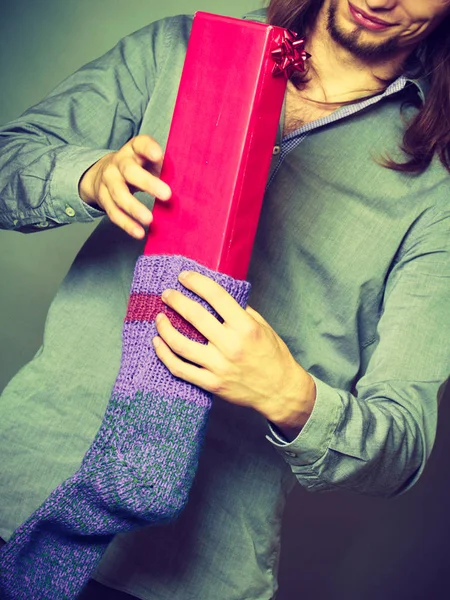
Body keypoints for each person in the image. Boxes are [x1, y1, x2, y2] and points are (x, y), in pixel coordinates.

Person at [0, 0, 449, 598]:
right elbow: (12, 160)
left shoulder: (438, 194)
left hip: (190, 576)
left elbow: (404, 443)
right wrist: (89, 176)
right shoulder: (177, 49)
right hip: (22, 486)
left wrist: (290, 394)